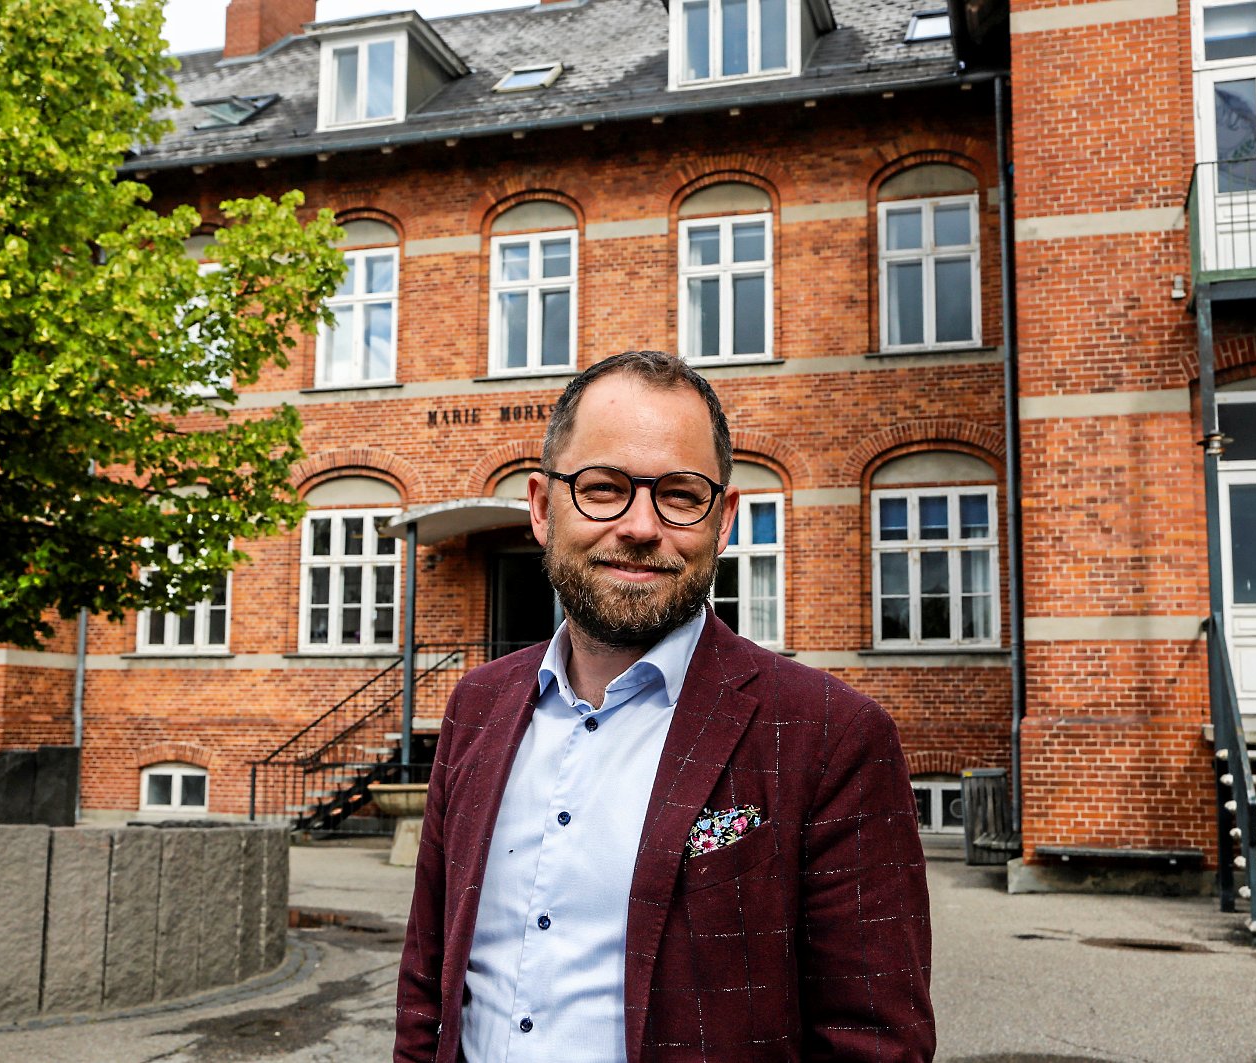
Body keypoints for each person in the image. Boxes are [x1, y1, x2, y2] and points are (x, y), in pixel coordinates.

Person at [395, 351, 935, 1063]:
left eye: (680, 494)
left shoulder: (831, 733)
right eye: (602, 487)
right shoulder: (477, 706)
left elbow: (873, 1043)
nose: (640, 525)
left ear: (724, 517)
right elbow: (427, 989)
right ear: (539, 506)